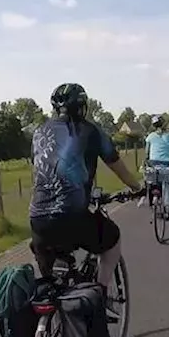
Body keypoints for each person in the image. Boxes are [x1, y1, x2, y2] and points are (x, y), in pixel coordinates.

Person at [29, 83, 144, 288]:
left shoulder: (39, 133)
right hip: (71, 216)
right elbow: (117, 166)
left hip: (38, 220)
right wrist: (137, 187)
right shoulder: (91, 131)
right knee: (112, 241)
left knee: (51, 286)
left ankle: (50, 317)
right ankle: (99, 293)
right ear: (83, 106)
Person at [143, 115, 169, 225]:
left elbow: (146, 153)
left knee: (153, 182)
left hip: (153, 165)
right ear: (164, 124)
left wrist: (146, 163)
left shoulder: (150, 136)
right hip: (167, 165)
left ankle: (153, 202)